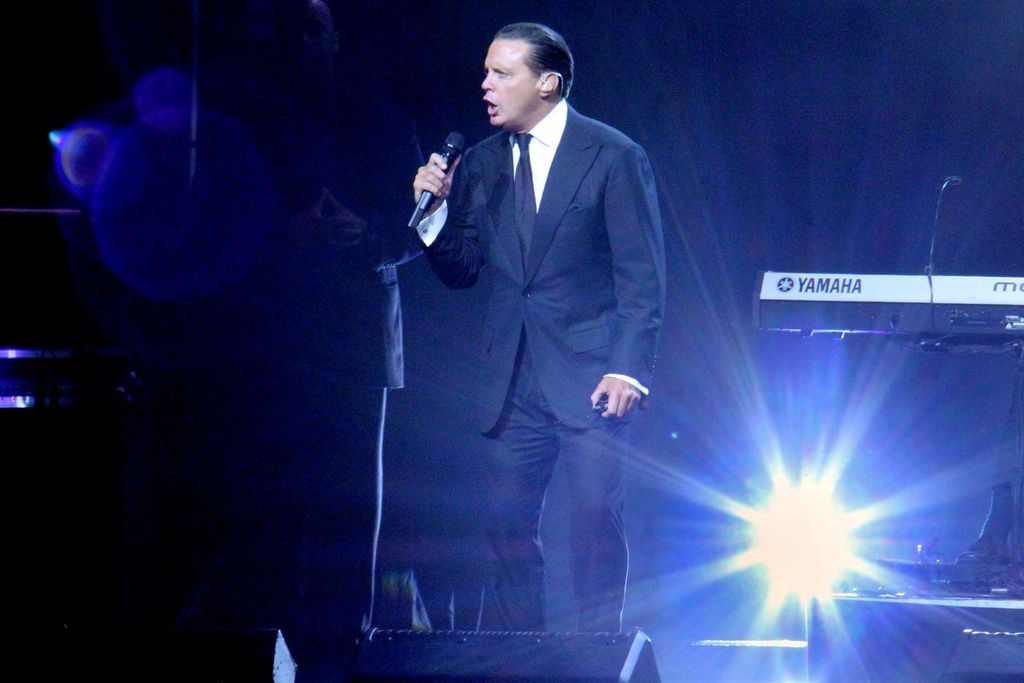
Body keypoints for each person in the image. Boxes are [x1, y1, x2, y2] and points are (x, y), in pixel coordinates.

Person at [412, 22, 665, 632]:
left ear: (547, 83)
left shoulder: (612, 156)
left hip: (591, 378)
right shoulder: (480, 163)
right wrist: (434, 217)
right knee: (504, 531)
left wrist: (628, 369)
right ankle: (519, 659)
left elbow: (642, 277)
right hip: (511, 382)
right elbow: (464, 270)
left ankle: (598, 657)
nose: (485, 85)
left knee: (592, 526)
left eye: (502, 73)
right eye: (486, 71)